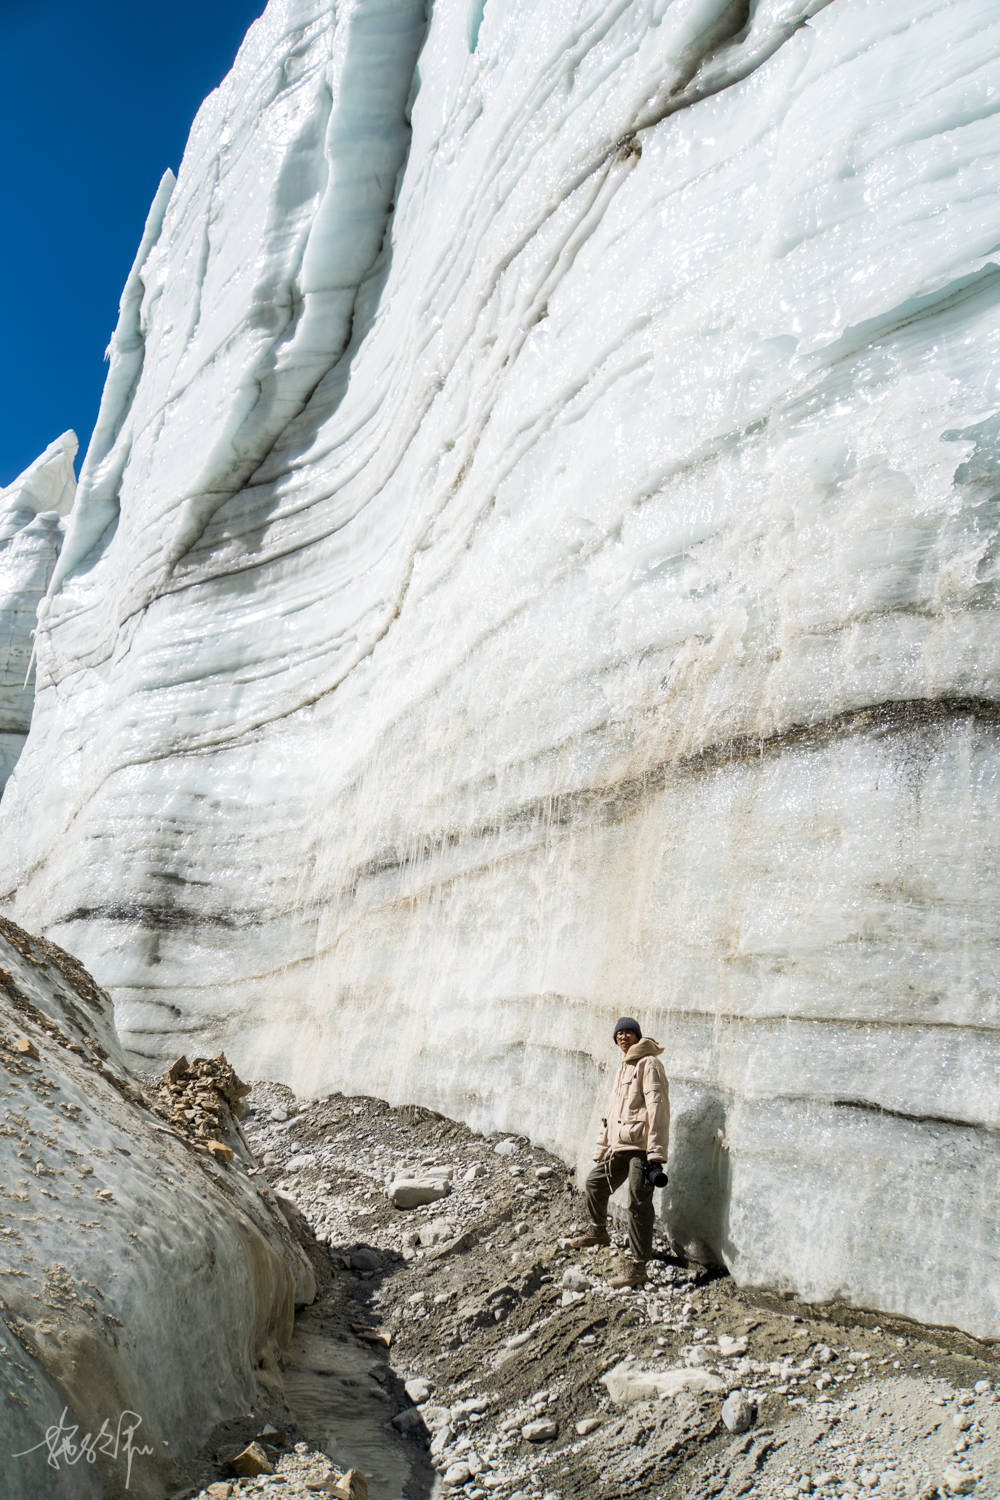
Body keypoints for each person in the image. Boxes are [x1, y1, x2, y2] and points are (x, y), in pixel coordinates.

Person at [570, 1016, 669, 1289]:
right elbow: (612, 1112)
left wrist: (656, 1154)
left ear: (638, 1036)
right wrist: (602, 1146)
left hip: (641, 1148)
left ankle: (638, 1267)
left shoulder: (649, 1064)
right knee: (594, 1183)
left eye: (628, 1033)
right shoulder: (623, 1067)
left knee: (638, 1202)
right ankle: (598, 1231)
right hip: (620, 1146)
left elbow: (658, 1108)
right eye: (619, 1034)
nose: (623, 1037)